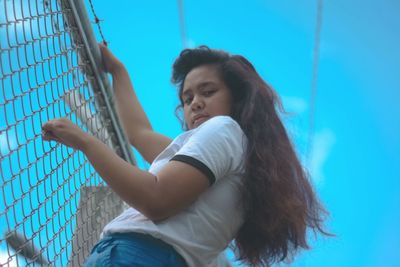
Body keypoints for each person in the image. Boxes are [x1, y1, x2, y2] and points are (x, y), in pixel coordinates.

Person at [42, 45, 329, 266]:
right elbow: (139, 133)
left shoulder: (224, 130)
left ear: (238, 98)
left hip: (139, 256)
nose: (195, 104)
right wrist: (118, 72)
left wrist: (85, 142)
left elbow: (156, 200)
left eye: (208, 91)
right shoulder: (232, 156)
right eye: (187, 99)